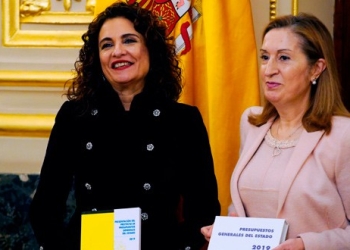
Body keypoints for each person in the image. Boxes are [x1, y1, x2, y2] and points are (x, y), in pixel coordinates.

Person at [29, 2, 220, 250]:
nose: (117, 51)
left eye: (129, 40)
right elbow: (45, 209)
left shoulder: (183, 120)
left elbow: (204, 212)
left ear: (151, 49)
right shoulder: (74, 117)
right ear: (97, 59)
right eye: (107, 45)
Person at [201, 12, 350, 250]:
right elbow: (244, 207)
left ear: (316, 69)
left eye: (283, 58)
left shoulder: (343, 135)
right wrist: (230, 230)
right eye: (264, 57)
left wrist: (306, 245)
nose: (268, 69)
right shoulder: (251, 123)